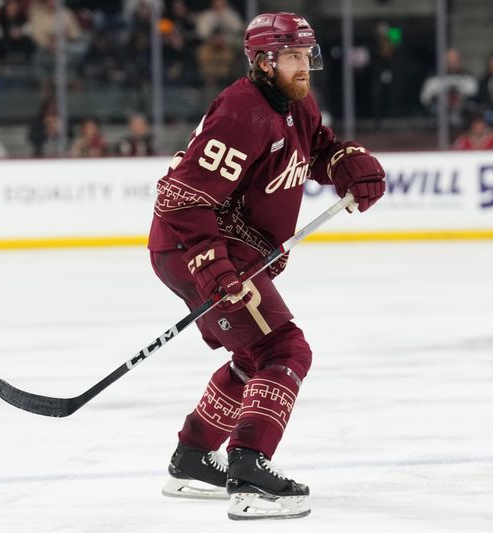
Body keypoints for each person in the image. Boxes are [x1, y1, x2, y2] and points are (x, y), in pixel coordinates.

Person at [148, 12, 385, 521]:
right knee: (283, 348)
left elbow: (314, 150)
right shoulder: (242, 112)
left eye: (307, 56)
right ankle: (249, 467)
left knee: (254, 355)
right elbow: (184, 200)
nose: (305, 67)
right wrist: (212, 267)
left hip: (223, 249)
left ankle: (193, 457)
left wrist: (348, 162)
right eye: (294, 57)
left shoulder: (296, 103)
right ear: (262, 61)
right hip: (193, 247)